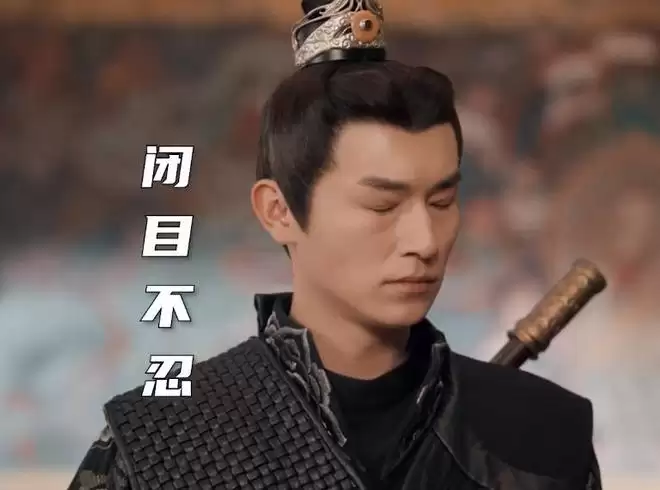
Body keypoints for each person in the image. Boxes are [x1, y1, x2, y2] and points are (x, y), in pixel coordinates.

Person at [68, 0, 602, 488]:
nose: (425, 241)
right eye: (382, 205)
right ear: (278, 211)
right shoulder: (161, 444)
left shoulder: (544, 435)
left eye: (442, 201)